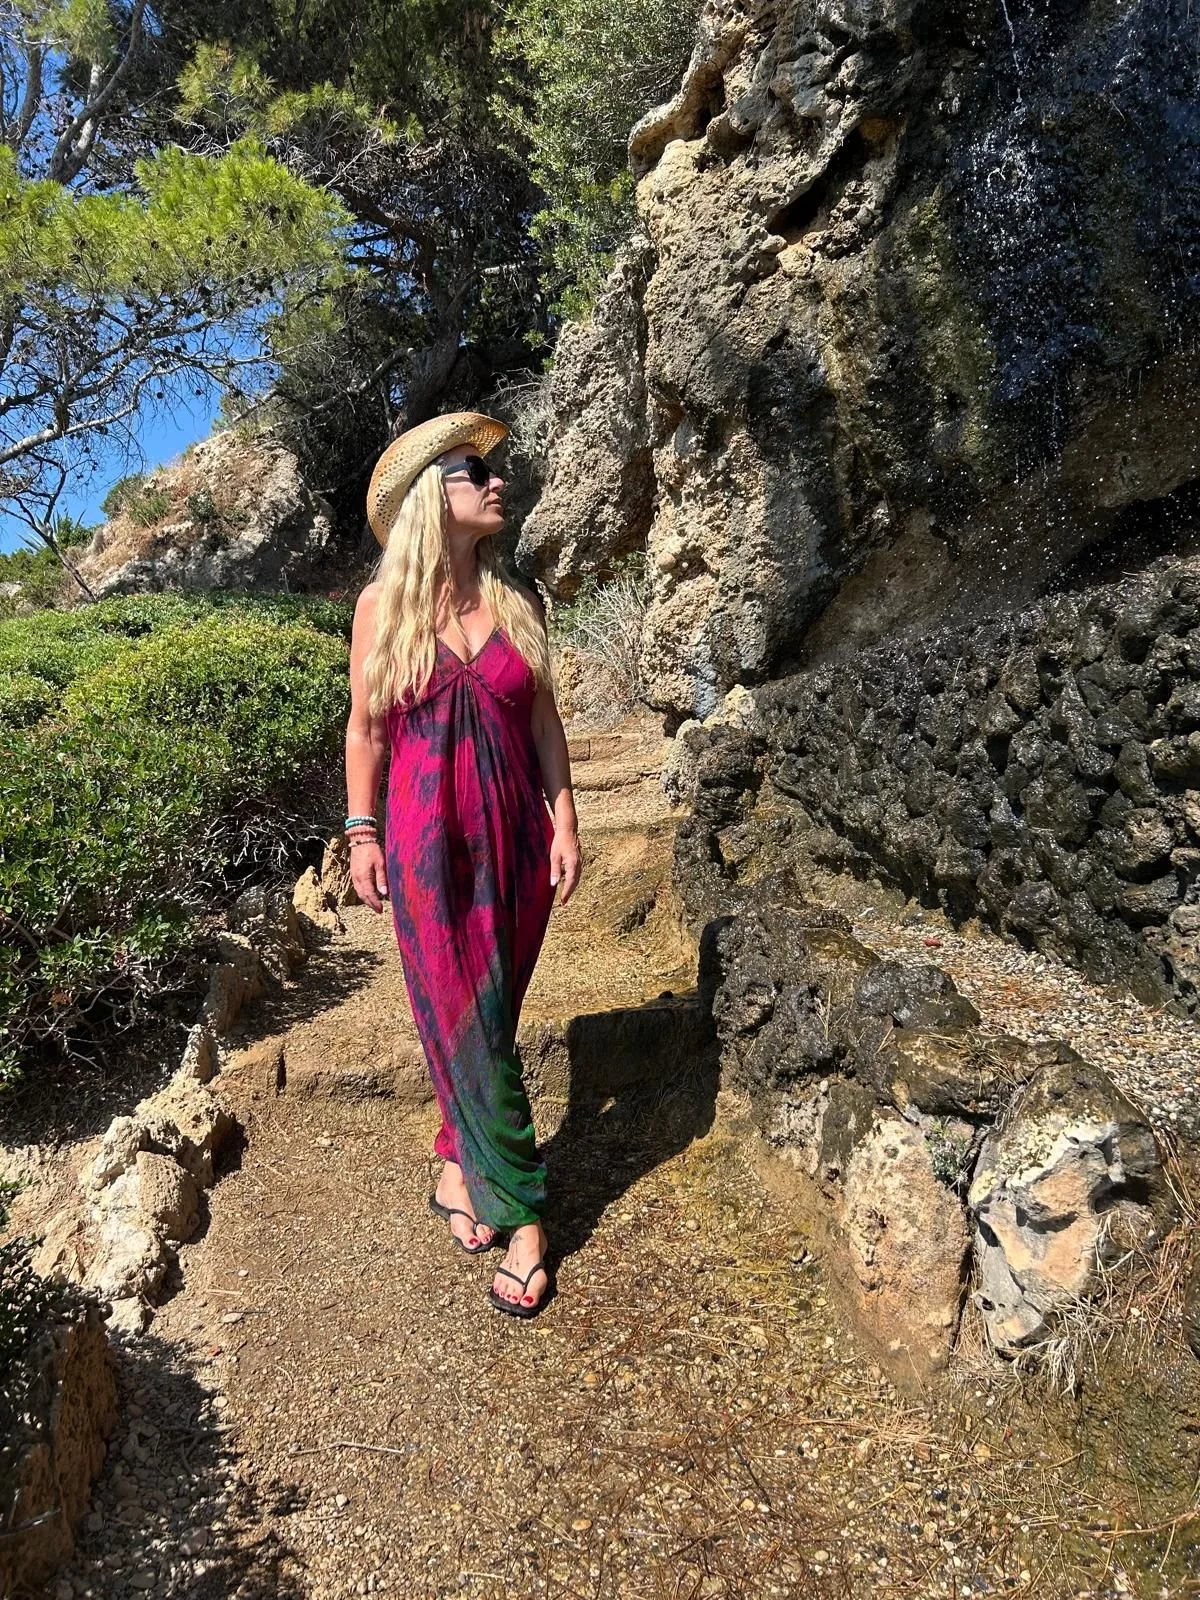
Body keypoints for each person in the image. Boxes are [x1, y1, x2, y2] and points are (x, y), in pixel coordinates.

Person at [343, 410, 582, 1319]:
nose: (495, 481)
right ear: (424, 501)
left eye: (492, 468)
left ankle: (457, 1157)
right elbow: (366, 728)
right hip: (425, 845)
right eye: (471, 470)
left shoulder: (518, 604)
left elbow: (544, 725)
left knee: (488, 1018)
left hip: (517, 842)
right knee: (470, 1023)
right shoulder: (383, 609)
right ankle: (523, 1216)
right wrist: (361, 832)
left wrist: (566, 822)